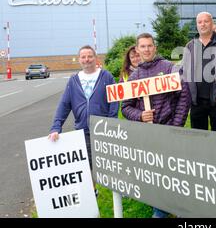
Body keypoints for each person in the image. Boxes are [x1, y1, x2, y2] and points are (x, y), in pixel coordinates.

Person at [122, 33, 191, 217]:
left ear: (155, 47)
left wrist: (175, 126)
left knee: (176, 173)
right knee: (156, 175)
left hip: (170, 130)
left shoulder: (169, 68)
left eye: (150, 46)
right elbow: (126, 107)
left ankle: (182, 209)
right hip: (148, 135)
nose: (146, 49)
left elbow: (184, 98)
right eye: (142, 47)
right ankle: (160, 210)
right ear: (137, 50)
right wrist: (140, 116)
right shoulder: (135, 76)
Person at [48, 45, 119, 182]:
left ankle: (115, 194)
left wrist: (111, 125)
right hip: (82, 131)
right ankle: (93, 194)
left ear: (95, 58)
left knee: (108, 166)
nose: (87, 59)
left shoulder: (106, 76)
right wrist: (56, 127)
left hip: (104, 131)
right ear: (79, 60)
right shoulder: (74, 80)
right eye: (83, 57)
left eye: (90, 56)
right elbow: (64, 105)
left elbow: (114, 103)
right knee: (86, 168)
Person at [183, 12, 216, 132]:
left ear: (212, 24)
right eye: (199, 22)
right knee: (199, 138)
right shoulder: (190, 46)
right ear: (197, 25)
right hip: (197, 102)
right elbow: (184, 72)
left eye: (206, 21)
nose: (203, 24)